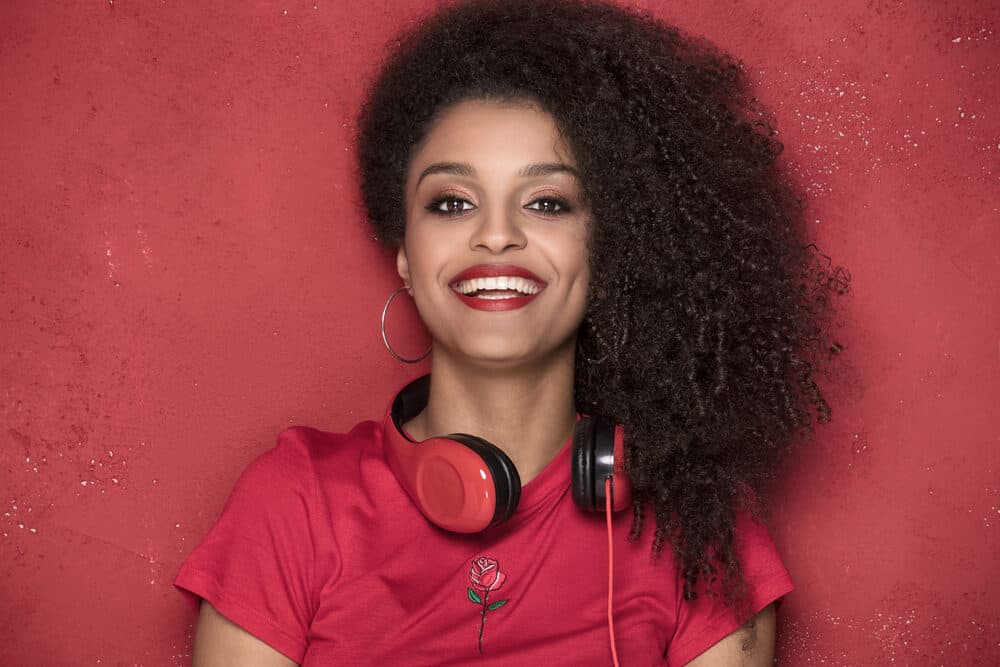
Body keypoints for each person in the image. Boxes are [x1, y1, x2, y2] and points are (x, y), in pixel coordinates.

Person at [175, 1, 846, 664]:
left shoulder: (700, 523)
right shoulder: (294, 502)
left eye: (548, 202)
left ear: (608, 251)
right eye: (452, 202)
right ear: (407, 253)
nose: (497, 234)